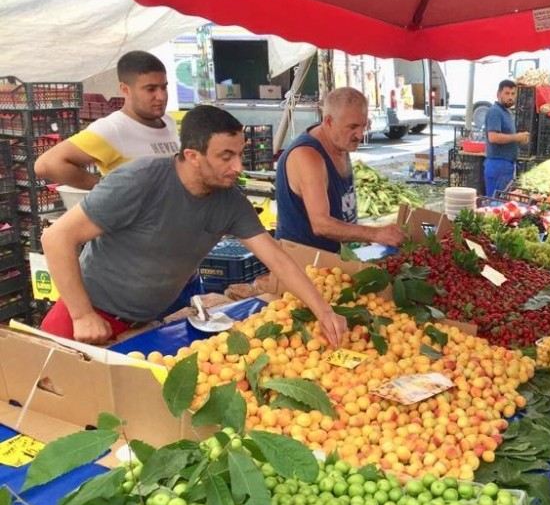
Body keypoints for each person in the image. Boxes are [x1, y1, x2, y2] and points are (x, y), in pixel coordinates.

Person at [39, 105, 347, 346]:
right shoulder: (139, 181)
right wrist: (82, 315)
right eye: (226, 156)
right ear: (192, 156)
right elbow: (56, 238)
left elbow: (278, 259)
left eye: (239, 154)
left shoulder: (229, 202)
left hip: (146, 323)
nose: (238, 167)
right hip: (87, 314)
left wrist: (324, 312)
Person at [274, 87, 405, 253]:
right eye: (352, 127)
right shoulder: (308, 157)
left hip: (335, 258)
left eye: (364, 125)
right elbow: (321, 224)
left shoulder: (339, 144)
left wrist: (369, 235)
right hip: (303, 262)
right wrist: (375, 234)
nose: (360, 134)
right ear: (329, 122)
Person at [35, 51, 179, 187]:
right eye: (151, 89)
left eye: (164, 87)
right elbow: (47, 164)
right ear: (125, 90)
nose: (161, 96)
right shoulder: (113, 128)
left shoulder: (168, 122)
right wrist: (106, 189)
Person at [483, 80, 530, 198]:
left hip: (507, 165)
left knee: (502, 203)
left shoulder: (507, 113)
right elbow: (493, 137)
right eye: (507, 93)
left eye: (513, 94)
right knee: (495, 202)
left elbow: (508, 137)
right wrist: (517, 137)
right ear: (498, 94)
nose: (510, 97)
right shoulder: (495, 111)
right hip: (498, 164)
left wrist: (520, 139)